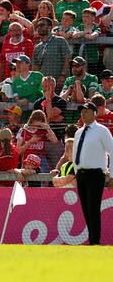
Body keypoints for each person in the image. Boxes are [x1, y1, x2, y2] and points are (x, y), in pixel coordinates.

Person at [72, 101, 113, 245]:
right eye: (82, 111)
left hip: (96, 174)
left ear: (94, 113)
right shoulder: (78, 132)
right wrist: (76, 171)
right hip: (82, 175)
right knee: (85, 208)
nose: (83, 114)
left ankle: (95, 241)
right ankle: (92, 239)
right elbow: (75, 153)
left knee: (93, 208)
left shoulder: (102, 131)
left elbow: (112, 151)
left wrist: (112, 175)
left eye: (86, 111)